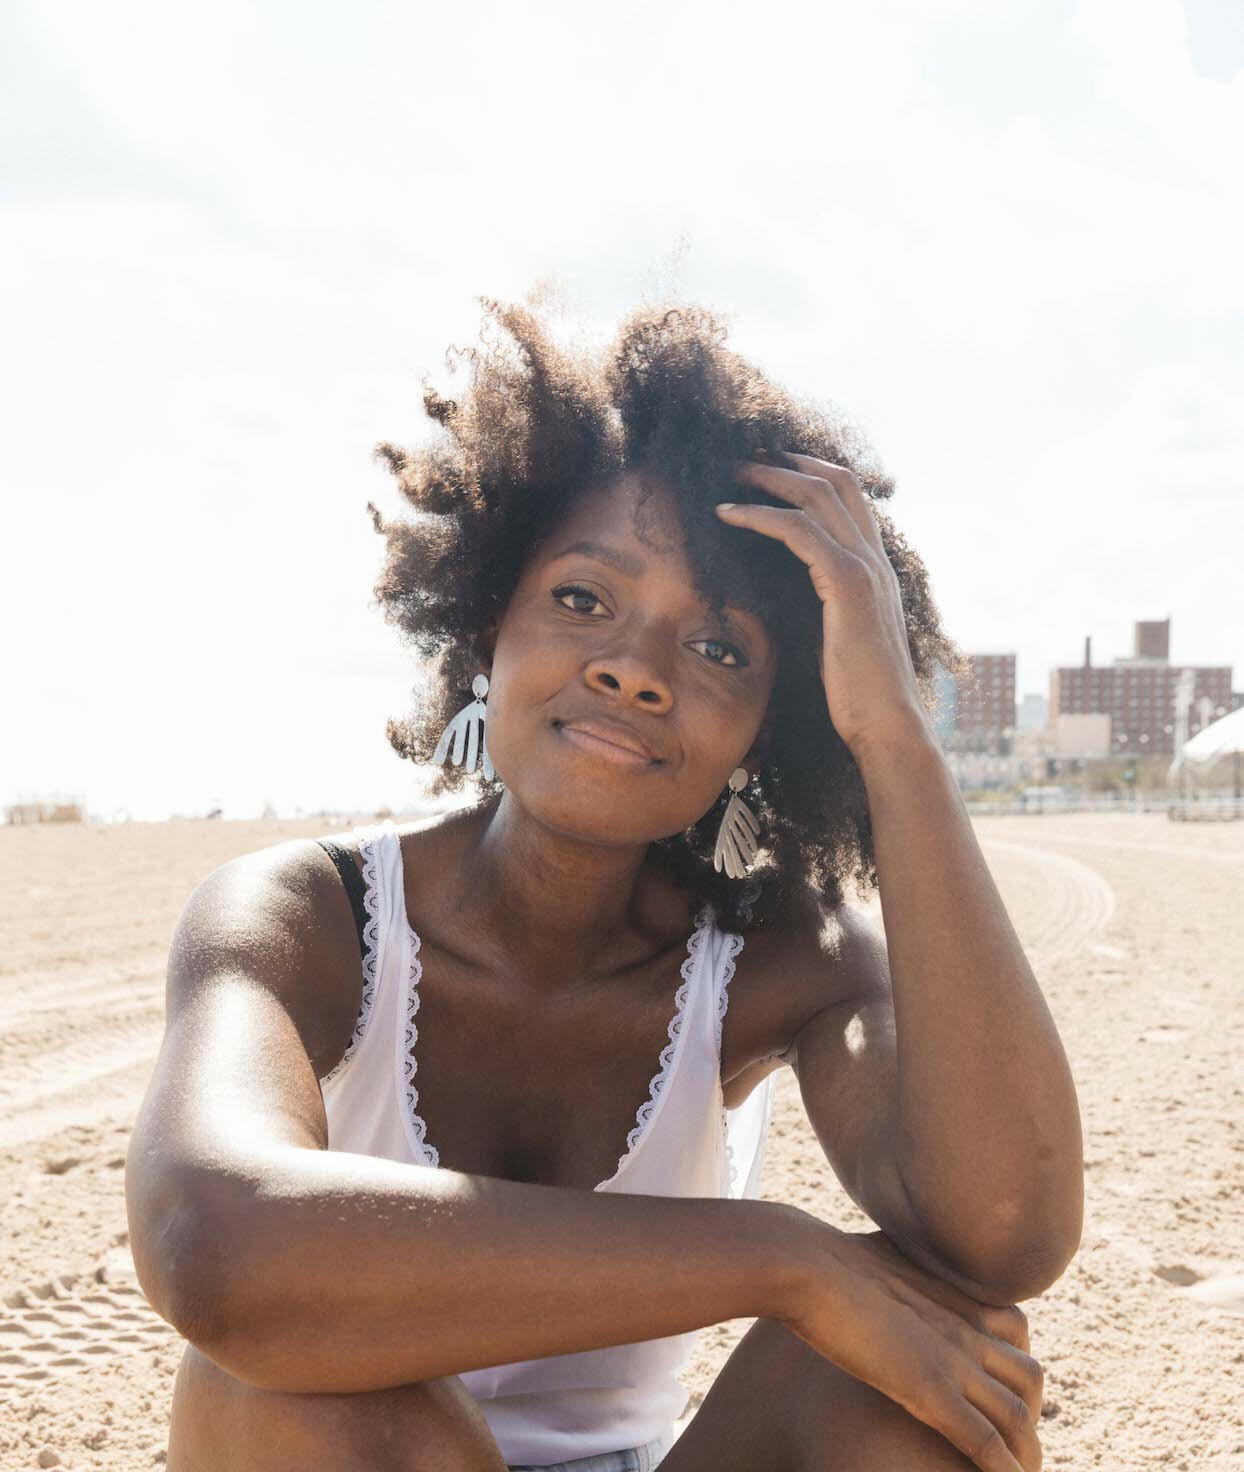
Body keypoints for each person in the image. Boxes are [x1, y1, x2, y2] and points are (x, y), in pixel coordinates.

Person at [126, 298, 1083, 1472]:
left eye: (720, 647)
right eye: (583, 598)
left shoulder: (778, 958)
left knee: (913, 1373)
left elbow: (1004, 1233)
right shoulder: (305, 917)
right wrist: (784, 1260)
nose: (633, 670)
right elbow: (212, 1239)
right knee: (299, 1380)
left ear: (768, 730)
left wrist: (893, 739)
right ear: (489, 627)